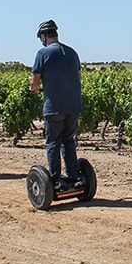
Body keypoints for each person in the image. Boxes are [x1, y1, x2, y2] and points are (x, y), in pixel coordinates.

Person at [30, 20, 84, 190]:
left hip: (54, 107)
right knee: (68, 141)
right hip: (73, 105)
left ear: (44, 37)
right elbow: (78, 77)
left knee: (53, 142)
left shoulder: (43, 53)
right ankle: (76, 178)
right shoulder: (72, 52)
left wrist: (34, 90)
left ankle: (56, 180)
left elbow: (35, 81)